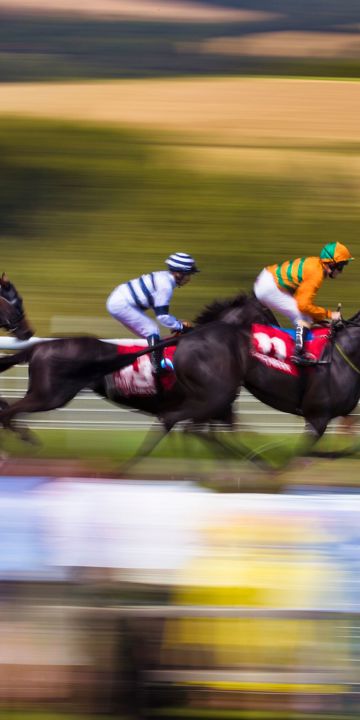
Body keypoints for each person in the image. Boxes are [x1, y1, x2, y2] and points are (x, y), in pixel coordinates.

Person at [254, 242, 353, 365]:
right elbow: (303, 305)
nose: (341, 271)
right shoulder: (316, 274)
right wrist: (329, 314)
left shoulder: (316, 264)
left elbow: (301, 298)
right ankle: (298, 353)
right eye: (341, 266)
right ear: (331, 263)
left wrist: (318, 318)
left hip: (267, 280)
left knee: (307, 315)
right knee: (303, 317)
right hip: (269, 287)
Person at [106, 252, 199, 374]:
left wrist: (177, 324)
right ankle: (157, 368)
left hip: (119, 300)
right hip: (121, 303)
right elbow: (162, 317)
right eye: (187, 274)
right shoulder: (165, 286)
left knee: (149, 333)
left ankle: (148, 362)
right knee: (151, 329)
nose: (188, 278)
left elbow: (160, 312)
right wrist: (180, 326)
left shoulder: (164, 277)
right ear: (178, 272)